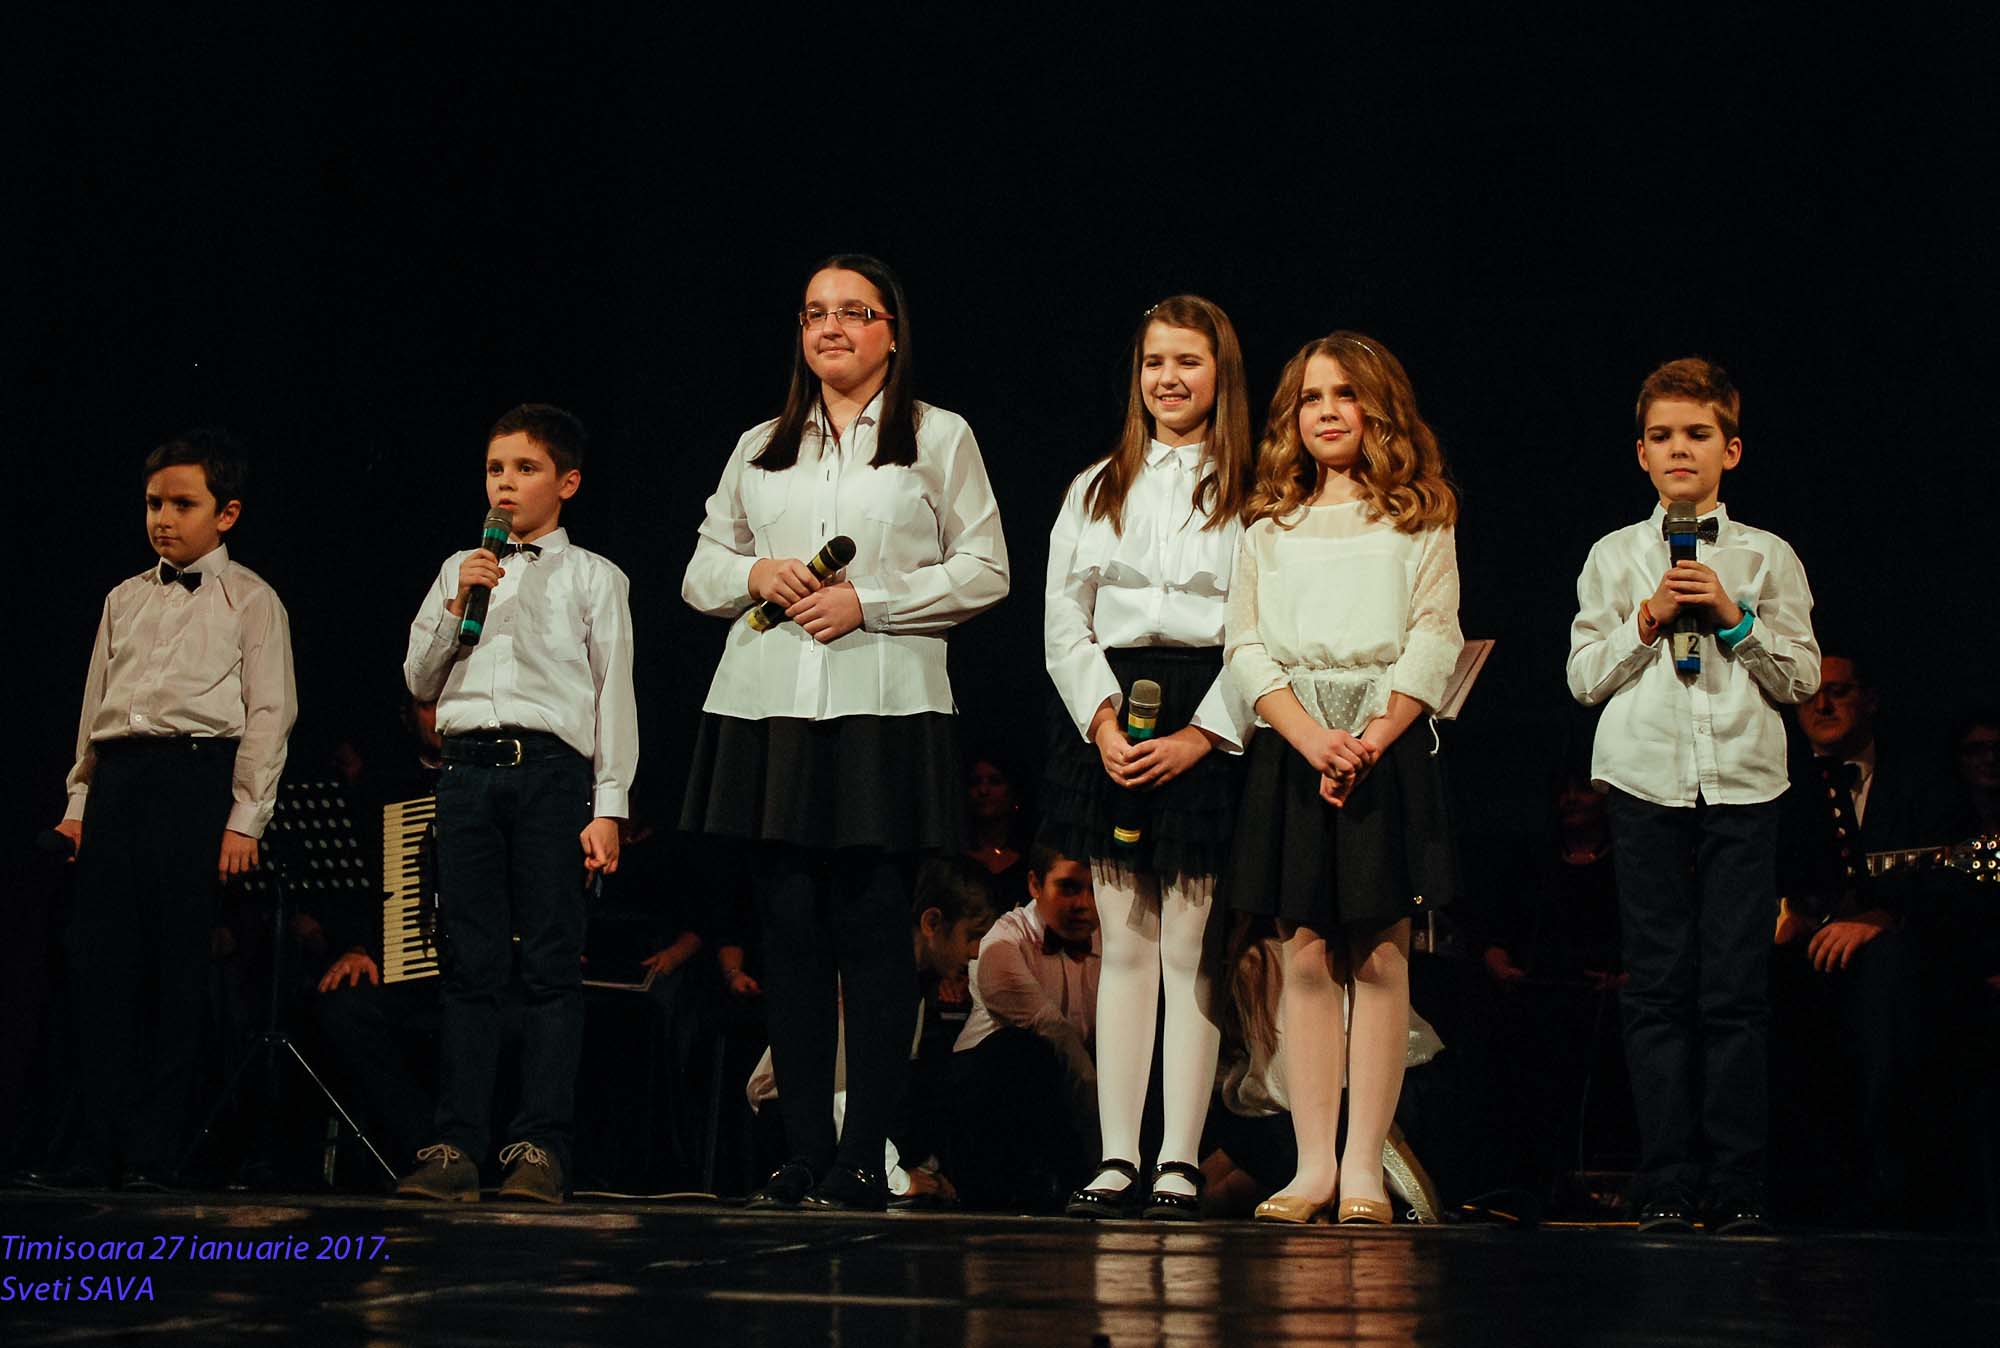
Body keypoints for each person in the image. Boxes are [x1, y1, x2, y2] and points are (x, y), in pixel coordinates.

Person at [681, 253, 1009, 1211]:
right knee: (787, 930)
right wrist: (754, 575)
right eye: (815, 312)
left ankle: (865, 1152)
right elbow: (700, 569)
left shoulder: (938, 436)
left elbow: (986, 568)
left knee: (871, 931)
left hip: (884, 703)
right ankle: (801, 1152)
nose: (831, 327)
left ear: (891, 332)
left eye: (854, 312)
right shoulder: (760, 444)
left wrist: (873, 602)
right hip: (769, 704)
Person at [1568, 357, 1819, 1233]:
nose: (1680, 449)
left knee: (1735, 989)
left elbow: (1802, 679)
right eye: (1663, 436)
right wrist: (1644, 622)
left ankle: (1738, 1181)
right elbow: (1583, 678)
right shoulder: (1613, 556)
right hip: (1646, 779)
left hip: (1744, 782)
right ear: (1641, 453)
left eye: (1698, 434)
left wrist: (1734, 617)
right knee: (1658, 984)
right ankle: (1667, 1179)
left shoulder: (1767, 556)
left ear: (1731, 449)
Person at [1222, 331, 1462, 1226]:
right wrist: (1309, 737)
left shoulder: (1419, 518)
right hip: (1298, 745)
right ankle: (1313, 1164)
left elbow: (1435, 633)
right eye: (1311, 397)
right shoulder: (1269, 528)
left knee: (1381, 952)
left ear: (1379, 408)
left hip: (1382, 743)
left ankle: (1365, 1168)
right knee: (1306, 952)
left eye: (1345, 394)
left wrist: (1371, 736)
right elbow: (1245, 645)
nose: (1327, 412)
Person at [1044, 294, 1256, 1221]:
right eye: (1154, 362)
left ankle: (1179, 1158)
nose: (1168, 379)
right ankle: (1117, 1155)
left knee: (1191, 949)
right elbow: (1064, 617)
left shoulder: (1257, 488)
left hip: (1209, 709)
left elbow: (1261, 631)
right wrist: (1102, 723)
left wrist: (1201, 735)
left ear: (1221, 374)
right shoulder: (1097, 486)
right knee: (1123, 944)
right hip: (1113, 708)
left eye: (1188, 362)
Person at [397, 404, 637, 1205]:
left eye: (525, 469)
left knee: (548, 967)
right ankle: (456, 1145)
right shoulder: (458, 568)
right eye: (495, 468)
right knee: (470, 966)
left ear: (567, 483)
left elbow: (613, 695)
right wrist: (458, 600)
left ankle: (539, 1145)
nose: (505, 483)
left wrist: (609, 805)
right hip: (465, 773)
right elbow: (419, 679)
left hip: (551, 776)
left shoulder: (595, 577)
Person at [54, 427, 297, 1190]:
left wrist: (245, 818)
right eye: (154, 503)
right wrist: (79, 800)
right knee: (104, 969)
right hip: (120, 781)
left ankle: (155, 1153)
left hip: (194, 781)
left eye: (182, 504)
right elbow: (96, 707)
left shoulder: (250, 599)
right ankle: (95, 1147)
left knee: (176, 969)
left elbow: (269, 713)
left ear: (226, 514)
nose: (163, 518)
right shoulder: (124, 597)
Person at [743, 857, 997, 1206]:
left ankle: (856, 1165)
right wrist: (898, 1178)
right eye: (974, 935)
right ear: (932, 922)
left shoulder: (912, 989)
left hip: (849, 1127)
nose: (978, 951)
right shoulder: (872, 988)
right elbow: (839, 1092)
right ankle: (816, 1161)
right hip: (785, 1109)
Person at [952, 839, 1101, 1211]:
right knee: (1023, 1052)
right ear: (1035, 885)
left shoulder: (1111, 941)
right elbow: (1054, 1033)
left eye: (1093, 890)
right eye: (1068, 888)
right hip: (992, 1103)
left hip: (1070, 1100)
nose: (1083, 904)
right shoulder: (1003, 942)